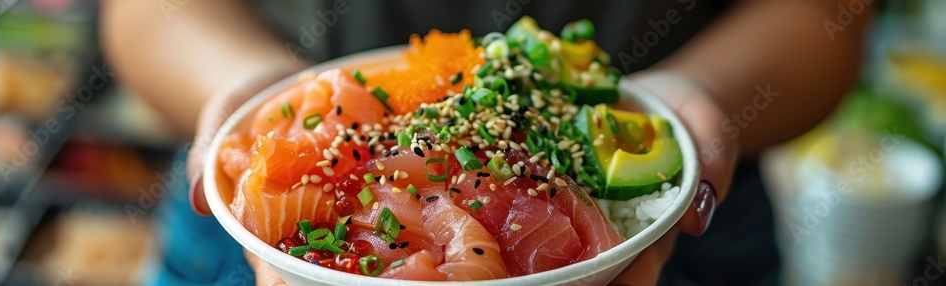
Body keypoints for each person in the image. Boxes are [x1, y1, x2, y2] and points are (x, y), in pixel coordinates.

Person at [100, 1, 873, 284]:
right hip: (243, 255)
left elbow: (829, 14)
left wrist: (701, 97)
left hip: (679, 223)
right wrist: (254, 88)